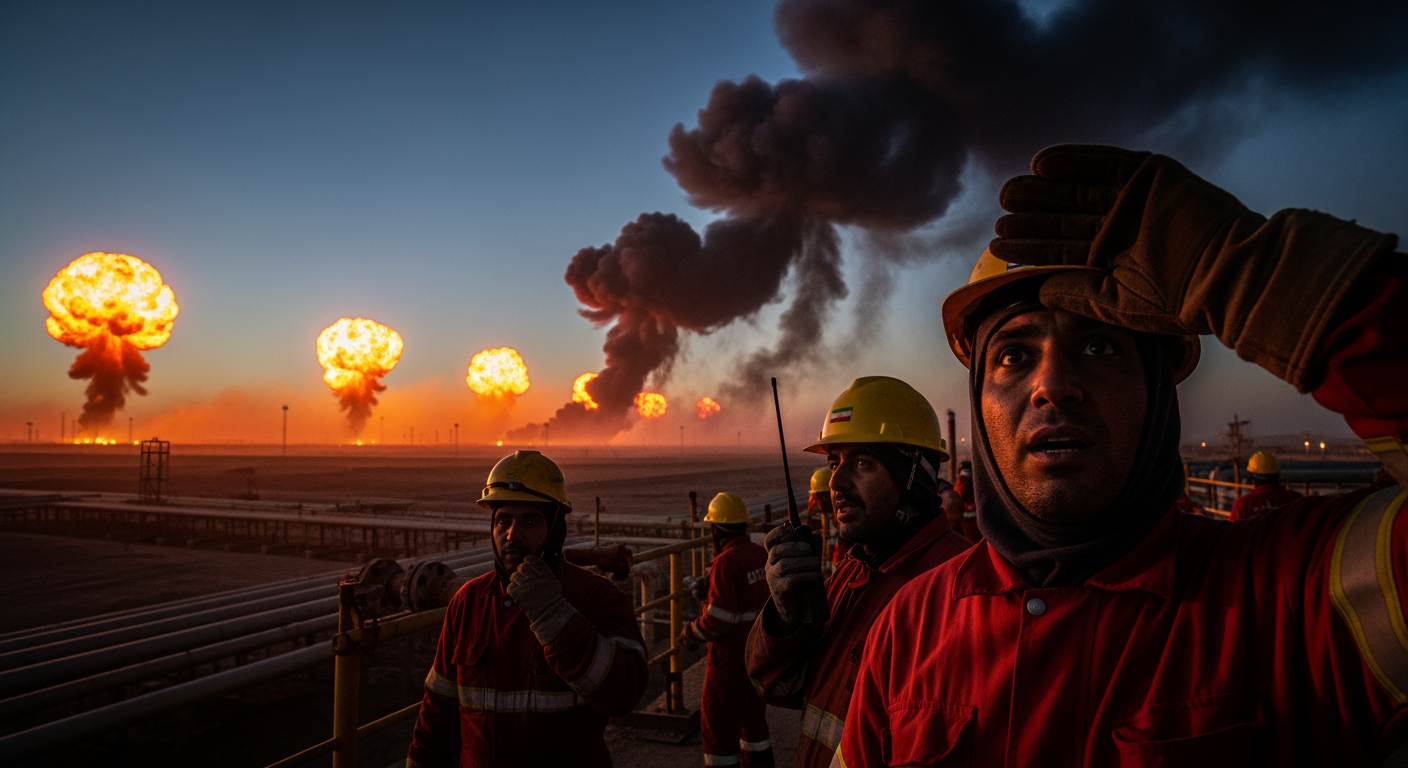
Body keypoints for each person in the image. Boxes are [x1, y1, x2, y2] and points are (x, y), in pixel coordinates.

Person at [838, 144, 1406, 766]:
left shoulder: (1298, 599)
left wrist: (1268, 278)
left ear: (1158, 393)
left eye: (1101, 347)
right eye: (1013, 355)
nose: (1051, 386)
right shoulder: (906, 631)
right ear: (979, 402)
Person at [745, 376, 970, 768]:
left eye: (862, 462)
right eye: (834, 462)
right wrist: (785, 619)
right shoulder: (853, 569)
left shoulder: (962, 588)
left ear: (913, 478)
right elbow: (779, 687)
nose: (837, 482)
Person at [406, 451, 648, 767]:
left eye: (530, 521)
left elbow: (624, 694)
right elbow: (438, 710)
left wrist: (554, 614)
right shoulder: (468, 602)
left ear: (556, 530)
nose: (512, 535)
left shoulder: (596, 596)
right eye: (503, 520)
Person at [678, 492, 773, 767]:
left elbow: (719, 620)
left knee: (718, 729)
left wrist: (690, 632)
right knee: (753, 723)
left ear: (715, 529)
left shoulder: (725, 562)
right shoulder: (759, 553)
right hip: (758, 655)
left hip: (729, 661)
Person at [1229, 450, 1303, 521]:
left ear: (1254, 476)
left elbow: (1234, 532)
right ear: (1277, 474)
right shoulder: (1297, 501)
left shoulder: (1243, 505)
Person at [807, 468, 838, 568]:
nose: (817, 502)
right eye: (816, 496)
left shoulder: (844, 518)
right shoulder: (817, 516)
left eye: (821, 496)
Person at [952, 459, 981, 541]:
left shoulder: (961, 483)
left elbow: (957, 495)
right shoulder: (977, 483)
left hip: (967, 526)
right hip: (976, 526)